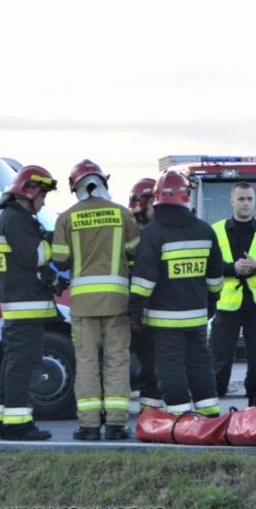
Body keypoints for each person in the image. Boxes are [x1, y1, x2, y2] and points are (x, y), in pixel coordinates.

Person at [52, 160, 140, 441]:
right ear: (103, 182)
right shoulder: (122, 214)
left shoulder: (66, 218)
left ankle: (89, 426)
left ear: (75, 187)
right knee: (117, 361)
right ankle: (116, 425)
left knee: (87, 362)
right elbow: (135, 253)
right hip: (116, 302)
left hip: (83, 304)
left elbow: (59, 259)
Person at [129, 171, 224, 416]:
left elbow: (143, 281)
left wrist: (135, 311)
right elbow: (215, 277)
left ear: (158, 199)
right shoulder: (205, 231)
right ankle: (209, 413)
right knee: (200, 363)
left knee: (170, 367)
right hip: (197, 316)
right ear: (186, 197)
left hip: (164, 319)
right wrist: (211, 302)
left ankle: (180, 416)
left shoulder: (153, 233)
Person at [0, 165, 61, 441]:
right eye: (43, 195)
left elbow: (23, 264)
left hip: (18, 306)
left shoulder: (8, 219)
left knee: (14, 364)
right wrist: (54, 240)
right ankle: (18, 425)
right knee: (25, 365)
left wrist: (51, 279)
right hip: (24, 308)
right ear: (29, 192)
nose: (43, 202)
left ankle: (7, 421)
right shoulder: (17, 222)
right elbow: (34, 256)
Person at [210, 182, 256, 407]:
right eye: (241, 199)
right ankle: (213, 400)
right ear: (232, 201)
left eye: (249, 199)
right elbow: (209, 266)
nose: (246, 203)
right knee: (220, 357)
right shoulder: (216, 230)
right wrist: (233, 269)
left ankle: (255, 402)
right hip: (226, 304)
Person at [127, 177, 163, 410]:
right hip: (136, 308)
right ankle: (149, 409)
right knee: (146, 360)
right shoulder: (137, 234)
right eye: (153, 203)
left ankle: (150, 409)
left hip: (154, 306)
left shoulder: (155, 231)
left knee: (152, 362)